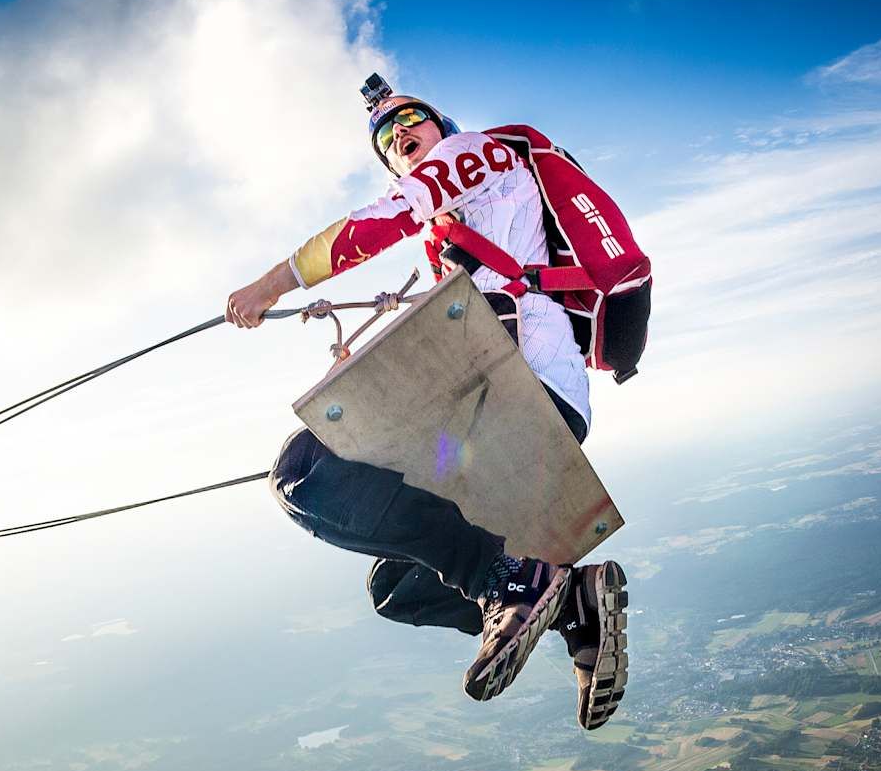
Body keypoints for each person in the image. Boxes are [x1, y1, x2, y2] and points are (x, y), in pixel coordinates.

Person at [224, 80, 628, 729]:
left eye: (408, 123)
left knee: (307, 471)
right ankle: (568, 600)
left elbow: (379, 223)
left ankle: (512, 579)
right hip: (514, 411)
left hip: (518, 384)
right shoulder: (459, 237)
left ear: (439, 125)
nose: (399, 138)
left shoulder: (477, 155)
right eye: (387, 139)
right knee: (397, 589)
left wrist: (270, 286)